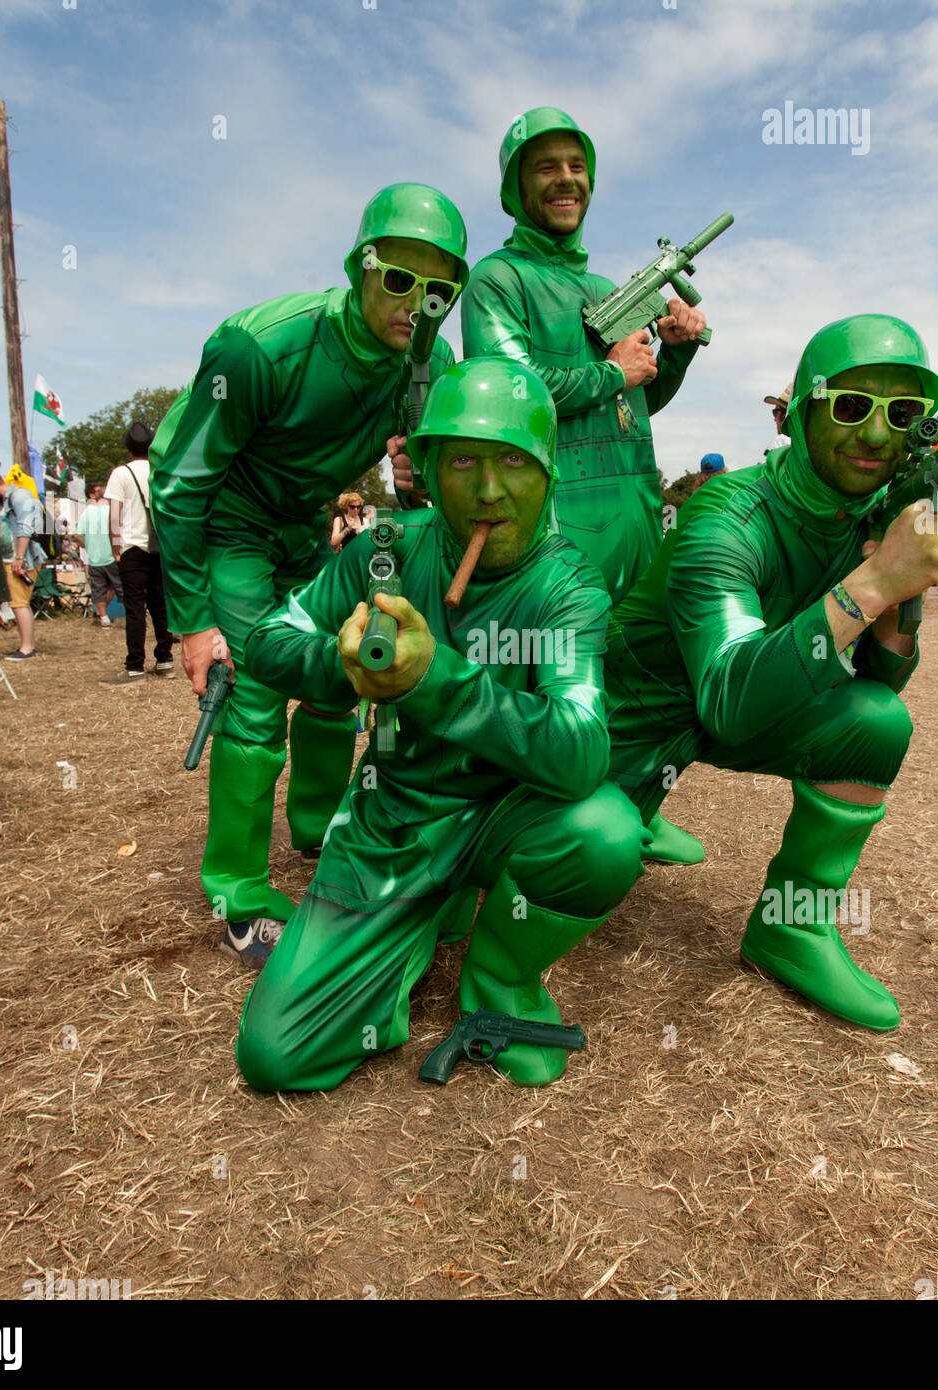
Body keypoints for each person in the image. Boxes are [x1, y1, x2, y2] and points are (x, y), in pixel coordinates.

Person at [233, 358, 644, 1091]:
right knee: (273, 1056)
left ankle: (500, 977)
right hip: (391, 823)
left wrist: (434, 680)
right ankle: (402, 941)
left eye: (514, 461)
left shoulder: (569, 585)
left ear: (549, 470)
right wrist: (345, 663)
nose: (490, 491)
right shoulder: (383, 549)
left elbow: (582, 751)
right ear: (424, 467)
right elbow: (267, 639)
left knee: (606, 830)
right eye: (463, 461)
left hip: (502, 814)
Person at [604, 314, 938, 1032]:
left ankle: (790, 927)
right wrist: (875, 580)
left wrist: (899, 591)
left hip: (728, 708)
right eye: (852, 406)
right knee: (571, 858)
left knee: (874, 722)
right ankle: (632, 805)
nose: (874, 434)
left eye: (901, 414)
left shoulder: (871, 515)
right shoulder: (727, 511)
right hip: (631, 716)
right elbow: (730, 701)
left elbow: (879, 685)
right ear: (801, 412)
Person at [148, 183, 469, 942]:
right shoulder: (262, 345)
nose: (414, 303)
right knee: (258, 687)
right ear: (362, 266)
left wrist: (419, 462)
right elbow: (180, 481)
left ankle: (322, 832)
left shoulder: (429, 362)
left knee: (342, 669)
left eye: (439, 291)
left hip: (309, 524)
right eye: (398, 278)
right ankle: (237, 891)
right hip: (229, 519)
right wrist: (192, 624)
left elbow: (416, 476)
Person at [450, 106, 707, 868]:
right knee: (547, 672)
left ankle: (632, 803)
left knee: (647, 663)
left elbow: (634, 402)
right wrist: (609, 370)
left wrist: (674, 352)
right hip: (560, 511)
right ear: (513, 187)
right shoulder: (498, 279)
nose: (566, 179)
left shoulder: (602, 284)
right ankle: (510, 836)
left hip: (632, 504)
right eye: (545, 167)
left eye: (576, 165)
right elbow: (505, 393)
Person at [102, 423, 175, 682]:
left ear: (128, 447)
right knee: (160, 606)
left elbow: (114, 516)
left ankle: (135, 665)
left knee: (135, 608)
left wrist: (115, 547)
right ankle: (165, 659)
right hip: (160, 546)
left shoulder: (121, 474)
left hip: (132, 546)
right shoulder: (161, 470)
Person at [0, 466, 46, 660]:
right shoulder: (5, 502)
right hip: (12, 559)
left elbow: (25, 527)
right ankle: (26, 645)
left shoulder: (20, 497)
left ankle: (27, 648)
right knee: (18, 602)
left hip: (22, 559)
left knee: (19, 602)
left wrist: (19, 558)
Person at [72, 482, 120, 626]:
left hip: (94, 559)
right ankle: (134, 615)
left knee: (98, 589)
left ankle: (103, 617)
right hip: (112, 556)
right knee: (120, 587)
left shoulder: (86, 512)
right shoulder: (112, 510)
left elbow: (77, 535)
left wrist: (89, 546)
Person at [762, 384, 791, 458]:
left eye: (775, 412)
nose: (774, 419)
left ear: (783, 415)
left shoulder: (780, 442)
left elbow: (767, 468)